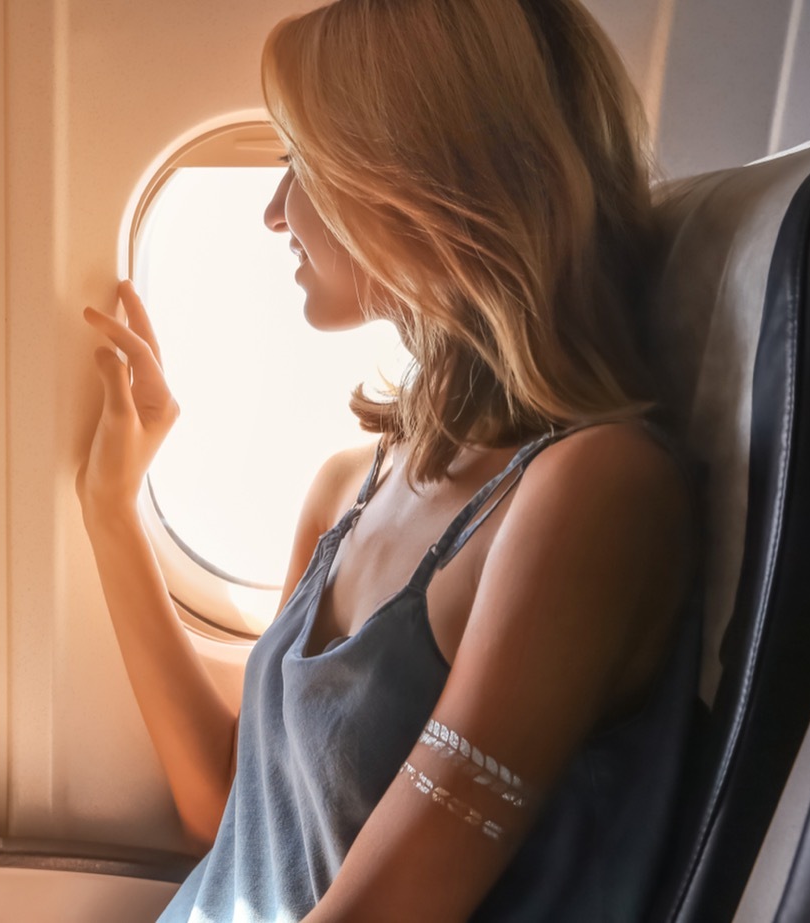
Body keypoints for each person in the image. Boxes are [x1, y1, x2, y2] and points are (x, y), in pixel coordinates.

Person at [77, 0, 698, 920]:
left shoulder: (589, 491)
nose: (274, 210)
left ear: (421, 178)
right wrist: (111, 509)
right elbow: (225, 803)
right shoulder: (352, 482)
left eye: (303, 163)